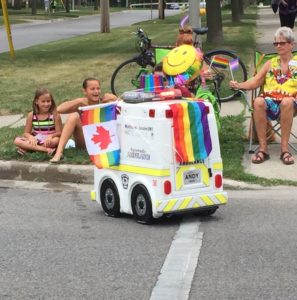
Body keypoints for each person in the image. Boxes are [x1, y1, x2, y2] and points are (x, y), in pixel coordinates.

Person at [230, 26, 297, 165]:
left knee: (286, 102)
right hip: (270, 103)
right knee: (259, 101)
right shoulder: (269, 63)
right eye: (276, 43)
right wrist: (239, 85)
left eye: (282, 43)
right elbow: (255, 82)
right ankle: (263, 149)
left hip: (292, 103)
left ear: (291, 44)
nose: (278, 46)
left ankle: (284, 150)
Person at [49, 77, 117, 164]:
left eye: (98, 88)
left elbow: (125, 109)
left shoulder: (105, 101)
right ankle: (59, 152)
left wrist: (115, 98)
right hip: (85, 142)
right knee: (73, 116)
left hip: (103, 141)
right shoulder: (81, 104)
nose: (96, 91)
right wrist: (78, 101)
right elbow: (59, 109)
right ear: (85, 91)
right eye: (92, 89)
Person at [14, 88, 62, 156]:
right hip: (36, 139)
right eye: (43, 101)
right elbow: (26, 133)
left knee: (56, 141)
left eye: (48, 101)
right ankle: (47, 150)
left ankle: (27, 148)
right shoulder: (31, 115)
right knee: (17, 141)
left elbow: (59, 132)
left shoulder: (55, 115)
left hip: (49, 140)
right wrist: (31, 137)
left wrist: (51, 136)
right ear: (36, 101)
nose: (46, 104)